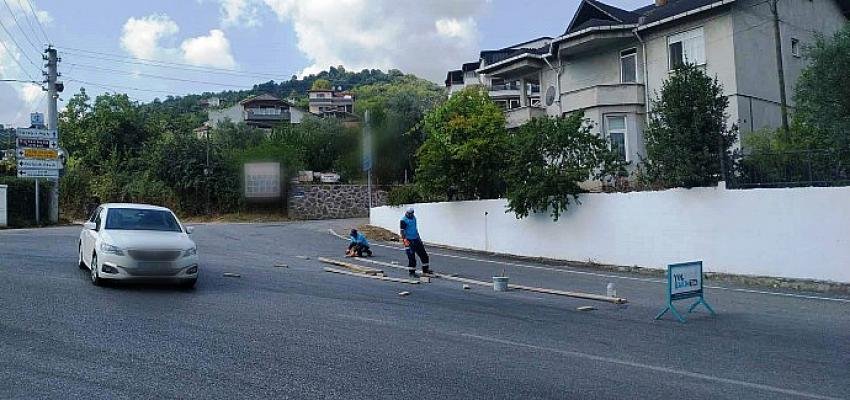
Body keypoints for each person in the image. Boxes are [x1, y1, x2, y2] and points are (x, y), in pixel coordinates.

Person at [400, 207, 430, 277]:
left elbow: (415, 229)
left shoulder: (414, 218)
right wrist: (405, 240)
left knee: (424, 255)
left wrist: (419, 238)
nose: (410, 215)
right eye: (409, 213)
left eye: (412, 213)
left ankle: (425, 270)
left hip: (416, 239)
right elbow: (402, 232)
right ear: (406, 213)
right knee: (411, 257)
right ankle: (412, 272)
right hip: (408, 240)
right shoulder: (403, 220)